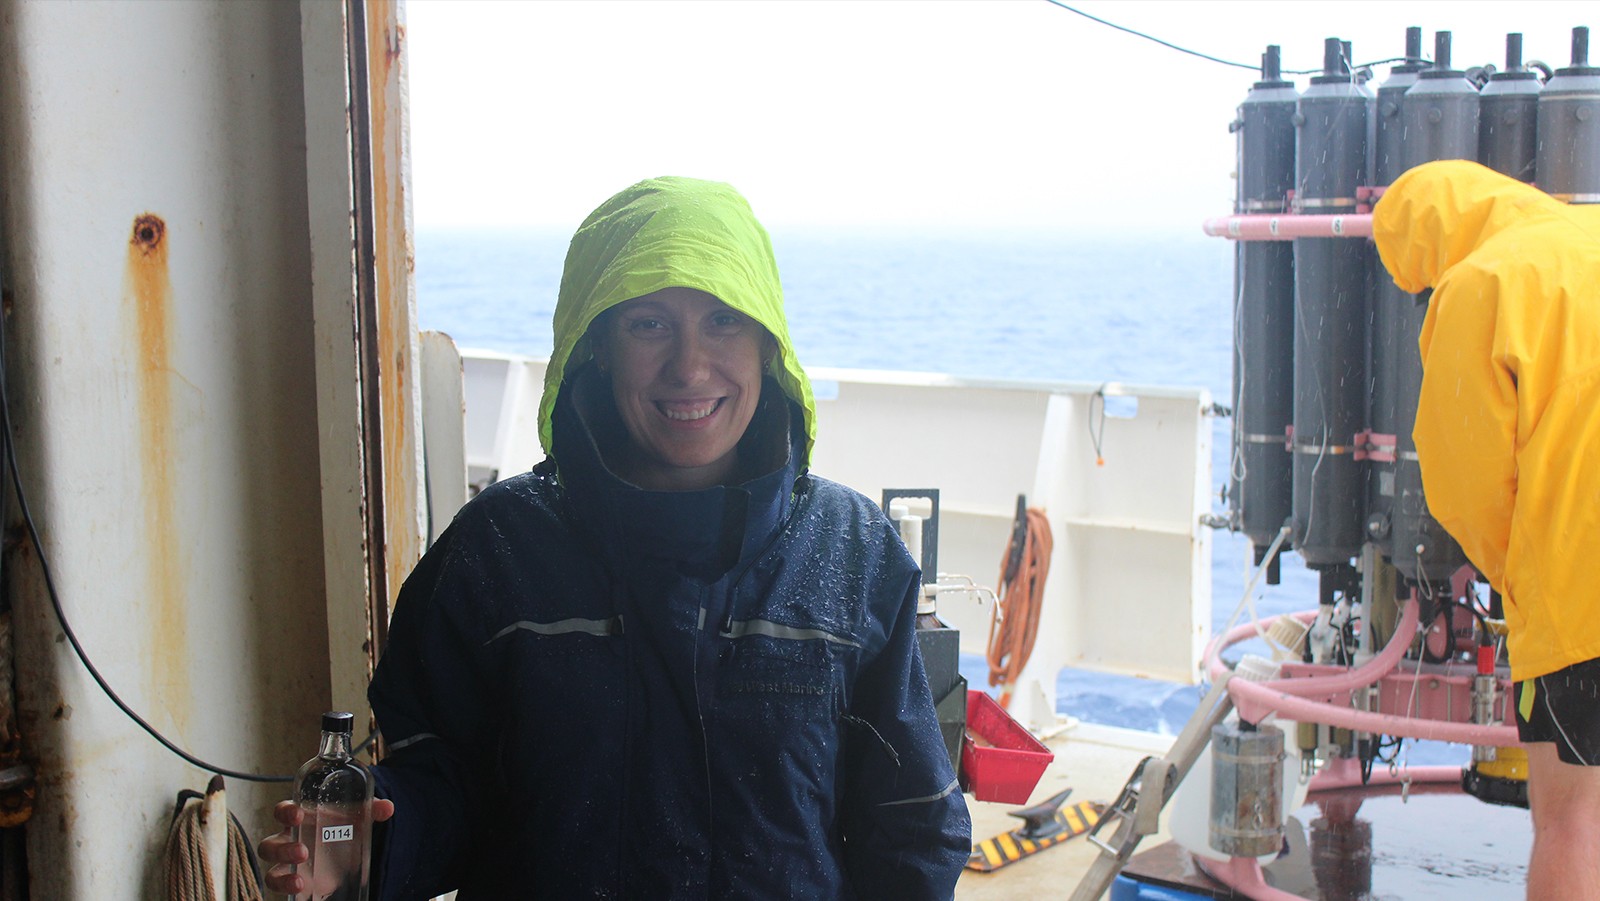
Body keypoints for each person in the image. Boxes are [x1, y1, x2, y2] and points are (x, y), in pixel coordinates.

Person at [260, 176, 971, 898]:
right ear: (595, 343)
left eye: (724, 319)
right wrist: (368, 844)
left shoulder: (851, 551)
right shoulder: (497, 551)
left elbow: (912, 824)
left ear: (768, 342)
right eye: (649, 324)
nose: (690, 366)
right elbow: (444, 788)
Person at [1373, 158, 1600, 900]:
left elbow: (1462, 484)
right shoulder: (1587, 234)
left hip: (1581, 594)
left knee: (1570, 820)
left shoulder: (1481, 284)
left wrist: (1517, 575)